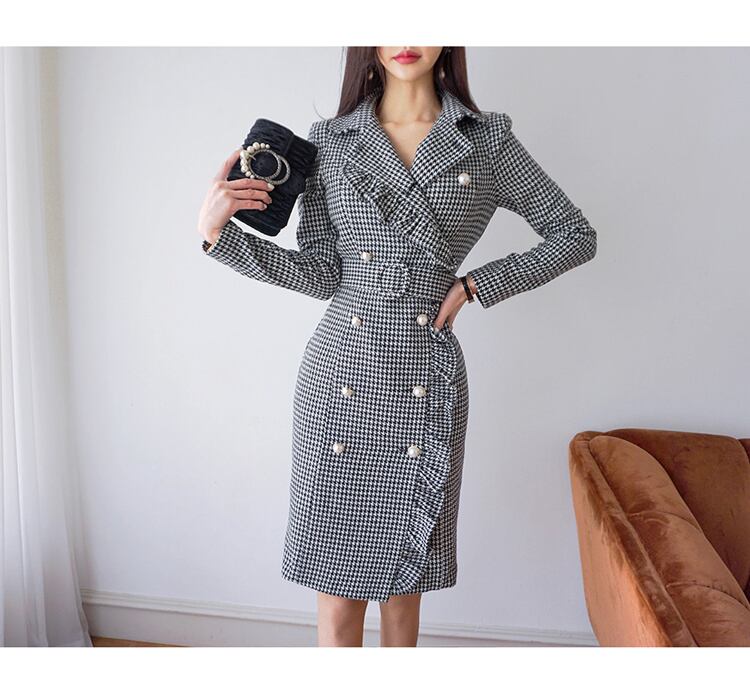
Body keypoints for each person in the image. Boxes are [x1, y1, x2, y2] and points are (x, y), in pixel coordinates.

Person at [197, 46, 597, 647]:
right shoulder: (331, 141)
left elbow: (575, 235)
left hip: (423, 379)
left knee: (403, 596)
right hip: (339, 384)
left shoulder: (485, 140)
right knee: (336, 602)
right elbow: (322, 274)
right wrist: (218, 236)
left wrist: (475, 286)